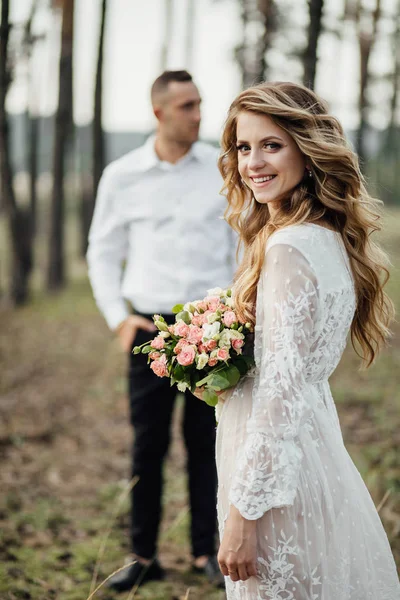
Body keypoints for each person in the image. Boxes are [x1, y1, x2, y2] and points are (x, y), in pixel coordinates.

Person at [194, 81, 400, 599]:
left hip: (273, 482)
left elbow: (279, 395)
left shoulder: (287, 248)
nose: (252, 163)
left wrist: (243, 517)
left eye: (271, 145)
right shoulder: (326, 239)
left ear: (307, 152)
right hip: (310, 454)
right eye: (244, 147)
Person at [87, 70, 235, 592]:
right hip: (148, 329)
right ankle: (143, 554)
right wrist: (117, 318)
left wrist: (236, 313)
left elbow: (240, 248)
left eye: (200, 104)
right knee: (147, 445)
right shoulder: (122, 176)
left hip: (213, 329)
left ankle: (206, 551)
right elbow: (101, 253)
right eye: (187, 106)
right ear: (159, 113)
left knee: (208, 444)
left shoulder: (223, 168)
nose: (198, 115)